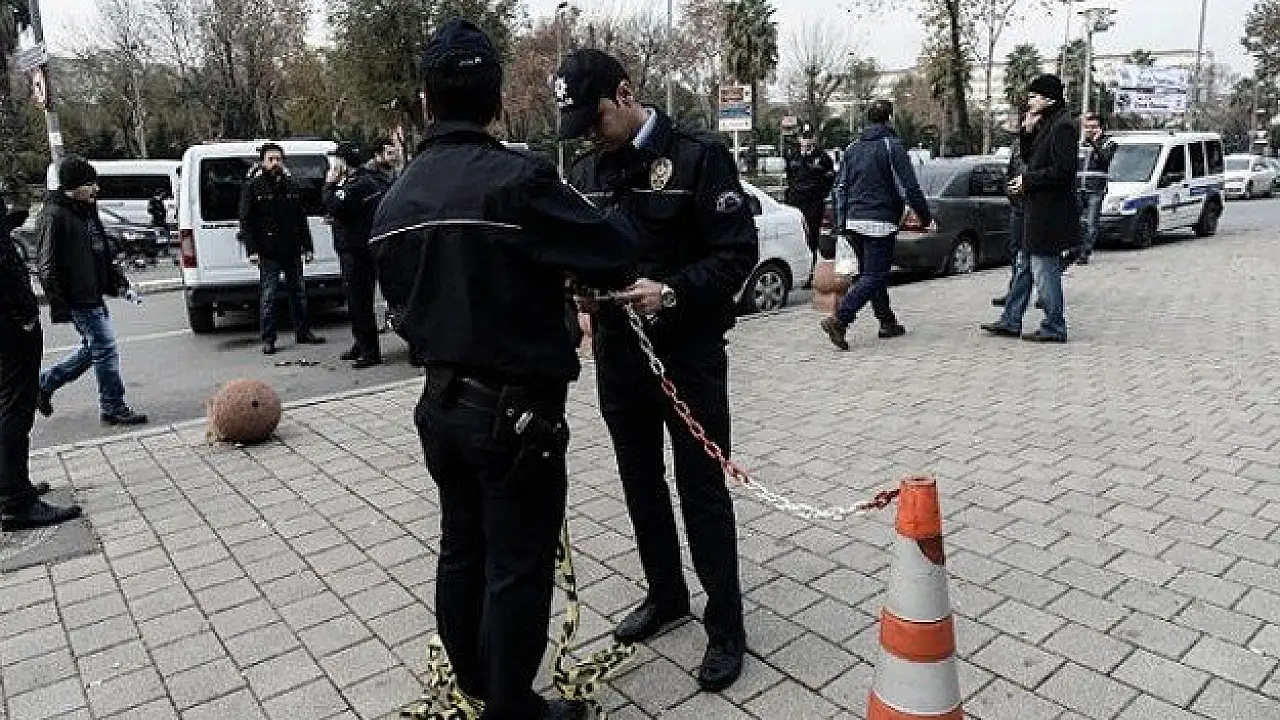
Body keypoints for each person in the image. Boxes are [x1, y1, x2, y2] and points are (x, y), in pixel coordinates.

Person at [370, 20, 639, 720]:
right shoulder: (519, 182)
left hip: (440, 405)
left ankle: (478, 684)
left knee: (461, 547)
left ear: (426, 101)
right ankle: (512, 706)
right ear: (496, 101)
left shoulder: (393, 201)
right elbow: (614, 252)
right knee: (517, 564)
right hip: (514, 414)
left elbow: (402, 308)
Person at [557, 48, 758, 692]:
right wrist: (580, 290)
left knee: (701, 489)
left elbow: (736, 256)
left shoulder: (699, 158)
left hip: (688, 355)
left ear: (625, 93)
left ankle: (725, 625)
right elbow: (583, 253)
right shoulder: (586, 170)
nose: (589, 134)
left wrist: (670, 292)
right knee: (640, 483)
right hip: (620, 356)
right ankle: (666, 595)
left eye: (595, 118)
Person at [36, 157, 148, 427]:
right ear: (73, 186)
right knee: (105, 348)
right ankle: (113, 406)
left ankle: (43, 384)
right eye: (90, 184)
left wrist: (118, 282)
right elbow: (46, 264)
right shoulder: (54, 215)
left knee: (96, 348)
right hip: (77, 296)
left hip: (92, 293)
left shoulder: (86, 210)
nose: (96, 189)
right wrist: (59, 304)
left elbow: (100, 252)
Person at [820, 99, 933, 351]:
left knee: (871, 274)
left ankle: (887, 321)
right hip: (880, 220)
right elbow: (910, 187)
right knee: (874, 275)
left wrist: (840, 223)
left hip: (854, 219)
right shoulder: (892, 146)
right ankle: (840, 319)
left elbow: (840, 187)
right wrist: (925, 218)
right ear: (889, 119)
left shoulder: (852, 148)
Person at [1, 193, 83, 531]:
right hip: (9, 321)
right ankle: (15, 501)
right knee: (14, 408)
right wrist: (22, 315)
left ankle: (13, 485)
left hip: (10, 318)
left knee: (10, 405)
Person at [981, 74, 1080, 343]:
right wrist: (1026, 131)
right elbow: (1030, 158)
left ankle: (1054, 325)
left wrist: (1028, 181)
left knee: (1044, 270)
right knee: (1024, 266)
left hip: (1050, 214)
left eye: (1034, 96)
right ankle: (1011, 320)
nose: (1029, 101)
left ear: (1049, 99)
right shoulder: (1045, 123)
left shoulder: (1063, 126)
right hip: (1034, 210)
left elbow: (1064, 171)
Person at [238, 143, 326, 355]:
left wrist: (308, 247)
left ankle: (303, 332)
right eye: (271, 159)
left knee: (299, 293)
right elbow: (246, 221)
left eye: (278, 159)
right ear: (262, 162)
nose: (275, 163)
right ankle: (268, 339)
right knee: (269, 296)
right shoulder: (253, 187)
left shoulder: (291, 186)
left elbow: (300, 219)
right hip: (268, 251)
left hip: (292, 249)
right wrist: (252, 250)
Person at [323, 138, 397, 369]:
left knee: (359, 303)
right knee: (355, 301)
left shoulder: (358, 184)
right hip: (354, 248)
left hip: (358, 251)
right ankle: (361, 342)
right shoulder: (359, 181)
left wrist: (329, 184)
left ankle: (370, 352)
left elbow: (333, 206)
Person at [784, 134, 835, 286]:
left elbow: (830, 178)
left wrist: (820, 194)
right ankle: (796, 272)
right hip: (795, 203)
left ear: (814, 139)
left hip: (813, 203)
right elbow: (790, 176)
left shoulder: (823, 157)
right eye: (803, 137)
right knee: (795, 237)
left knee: (811, 238)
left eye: (809, 137)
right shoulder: (793, 155)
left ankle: (810, 273)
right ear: (799, 139)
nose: (806, 141)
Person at [992, 129, 1026, 307]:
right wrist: (1009, 192)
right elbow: (1011, 172)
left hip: (1036, 206)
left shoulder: (1042, 142)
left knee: (1037, 254)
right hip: (1017, 205)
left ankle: (1045, 294)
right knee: (1015, 251)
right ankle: (1014, 292)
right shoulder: (1017, 145)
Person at [1077, 112, 1116, 264]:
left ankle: (1085, 253)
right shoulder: (1080, 144)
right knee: (1078, 222)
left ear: (1100, 128)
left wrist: (1095, 142)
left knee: (1091, 223)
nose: (1090, 130)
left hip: (1096, 189)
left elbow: (1104, 159)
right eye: (1087, 127)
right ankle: (1076, 249)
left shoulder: (1108, 143)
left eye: (1093, 127)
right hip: (1078, 188)